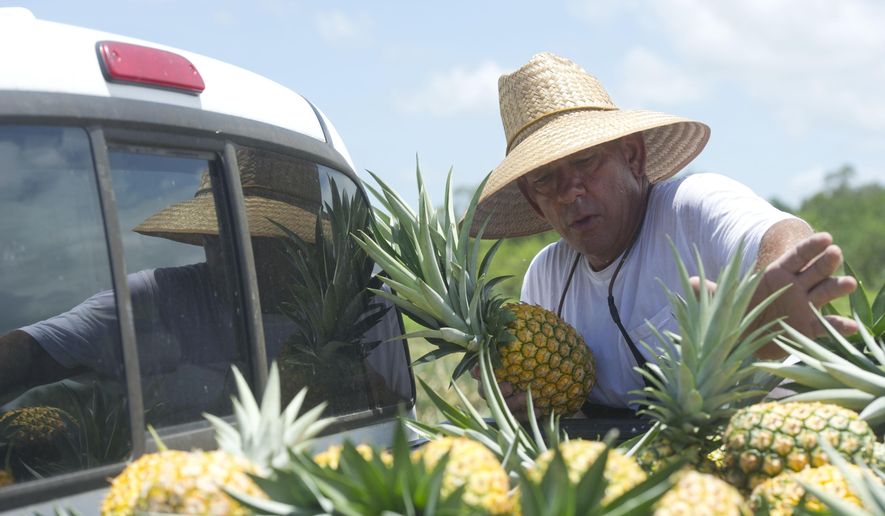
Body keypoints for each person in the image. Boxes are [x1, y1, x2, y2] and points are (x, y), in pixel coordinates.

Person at [471, 52, 858, 417]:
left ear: (632, 156)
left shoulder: (692, 206)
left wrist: (762, 305)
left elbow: (782, 232)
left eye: (585, 162)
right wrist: (526, 403)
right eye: (545, 179)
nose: (569, 191)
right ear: (533, 200)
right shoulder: (547, 279)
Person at [0, 149, 411, 424]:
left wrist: (348, 382)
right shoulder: (157, 298)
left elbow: (395, 419)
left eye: (260, 242)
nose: (230, 254)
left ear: (299, 247)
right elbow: (30, 351)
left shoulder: (361, 308)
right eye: (218, 238)